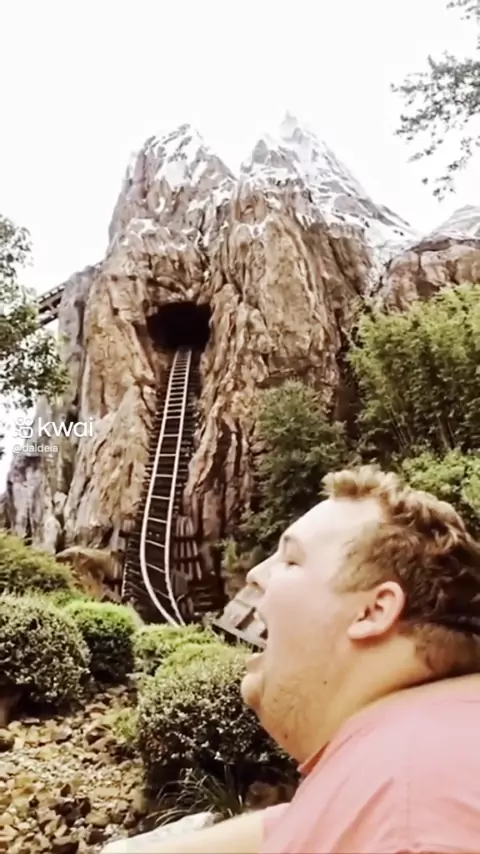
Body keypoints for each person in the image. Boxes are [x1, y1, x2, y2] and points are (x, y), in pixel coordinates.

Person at [111, 465, 480, 854]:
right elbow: (304, 826)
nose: (255, 574)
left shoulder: (410, 809)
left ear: (373, 611)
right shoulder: (413, 753)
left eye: (290, 560)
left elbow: (404, 826)